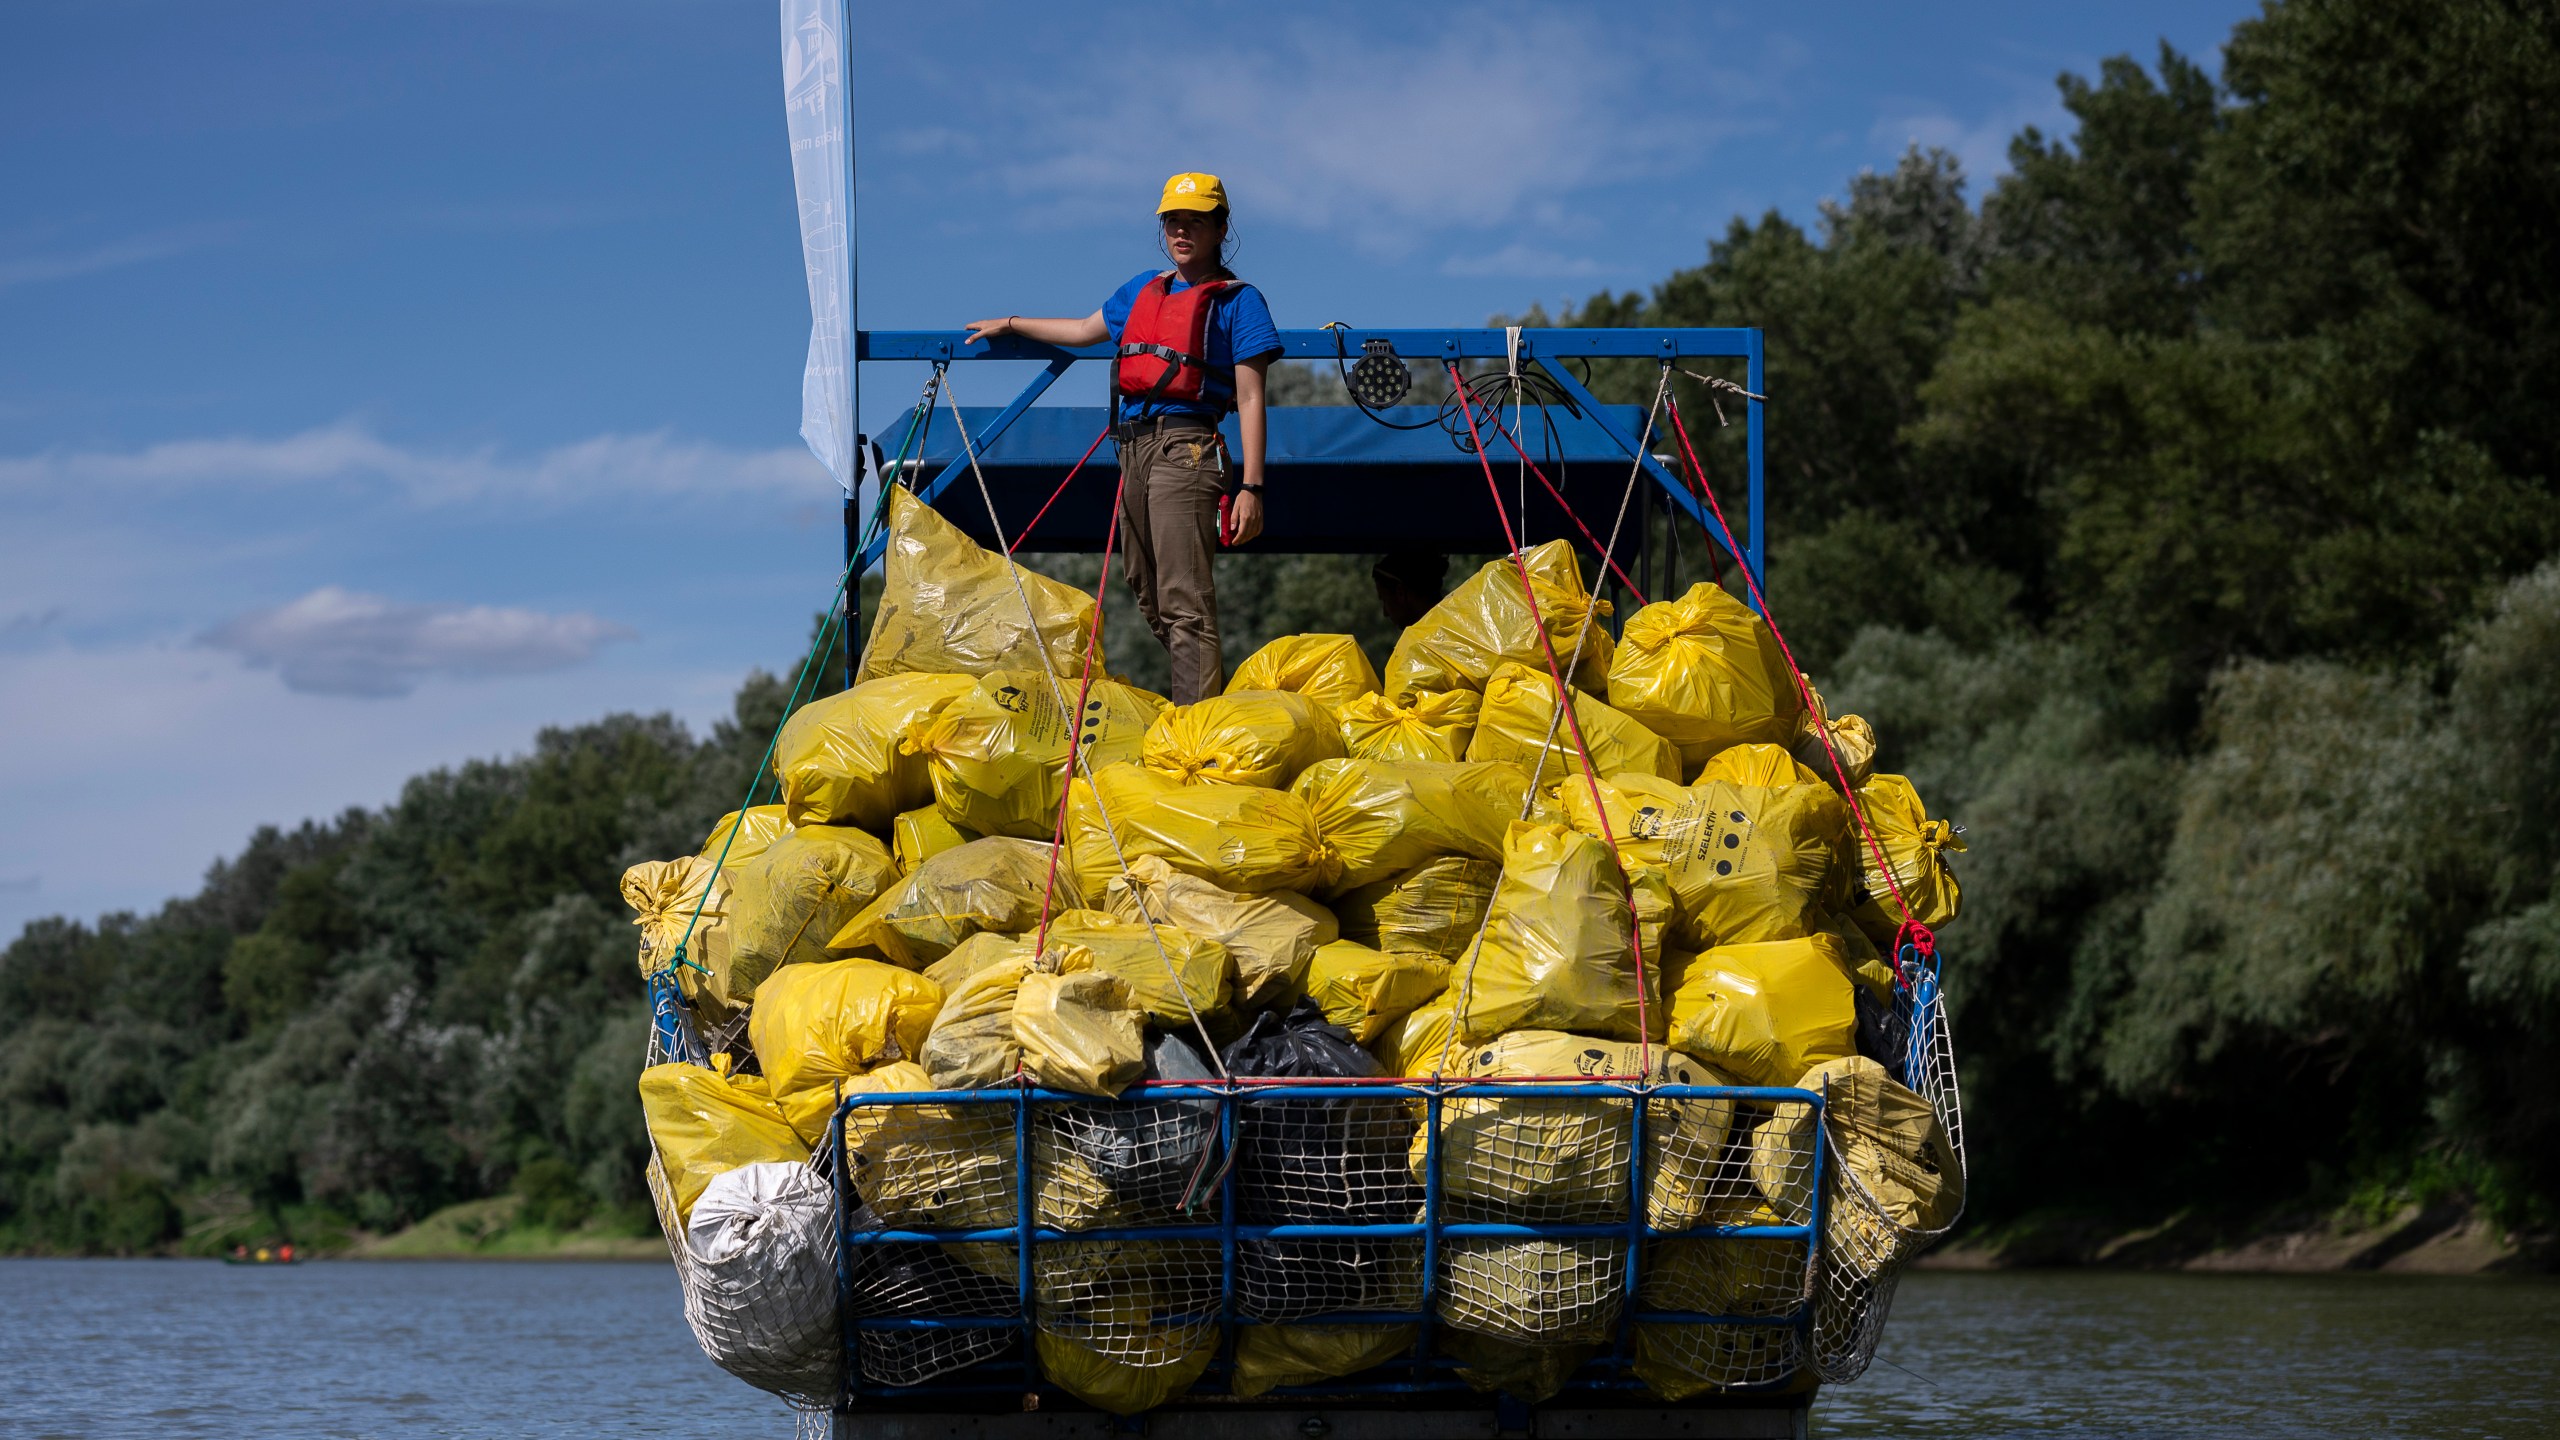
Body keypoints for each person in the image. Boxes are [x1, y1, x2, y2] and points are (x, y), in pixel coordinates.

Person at [965, 172, 1281, 704]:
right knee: (1144, 585)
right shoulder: (1141, 290)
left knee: (1184, 597)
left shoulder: (1239, 301)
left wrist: (1253, 487)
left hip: (1187, 447)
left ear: (1220, 228)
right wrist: (1014, 323)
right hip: (1132, 449)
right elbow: (1084, 330)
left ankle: (1195, 724)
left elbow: (1251, 397)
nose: (1181, 232)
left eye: (1195, 222)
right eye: (1172, 222)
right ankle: (1205, 700)